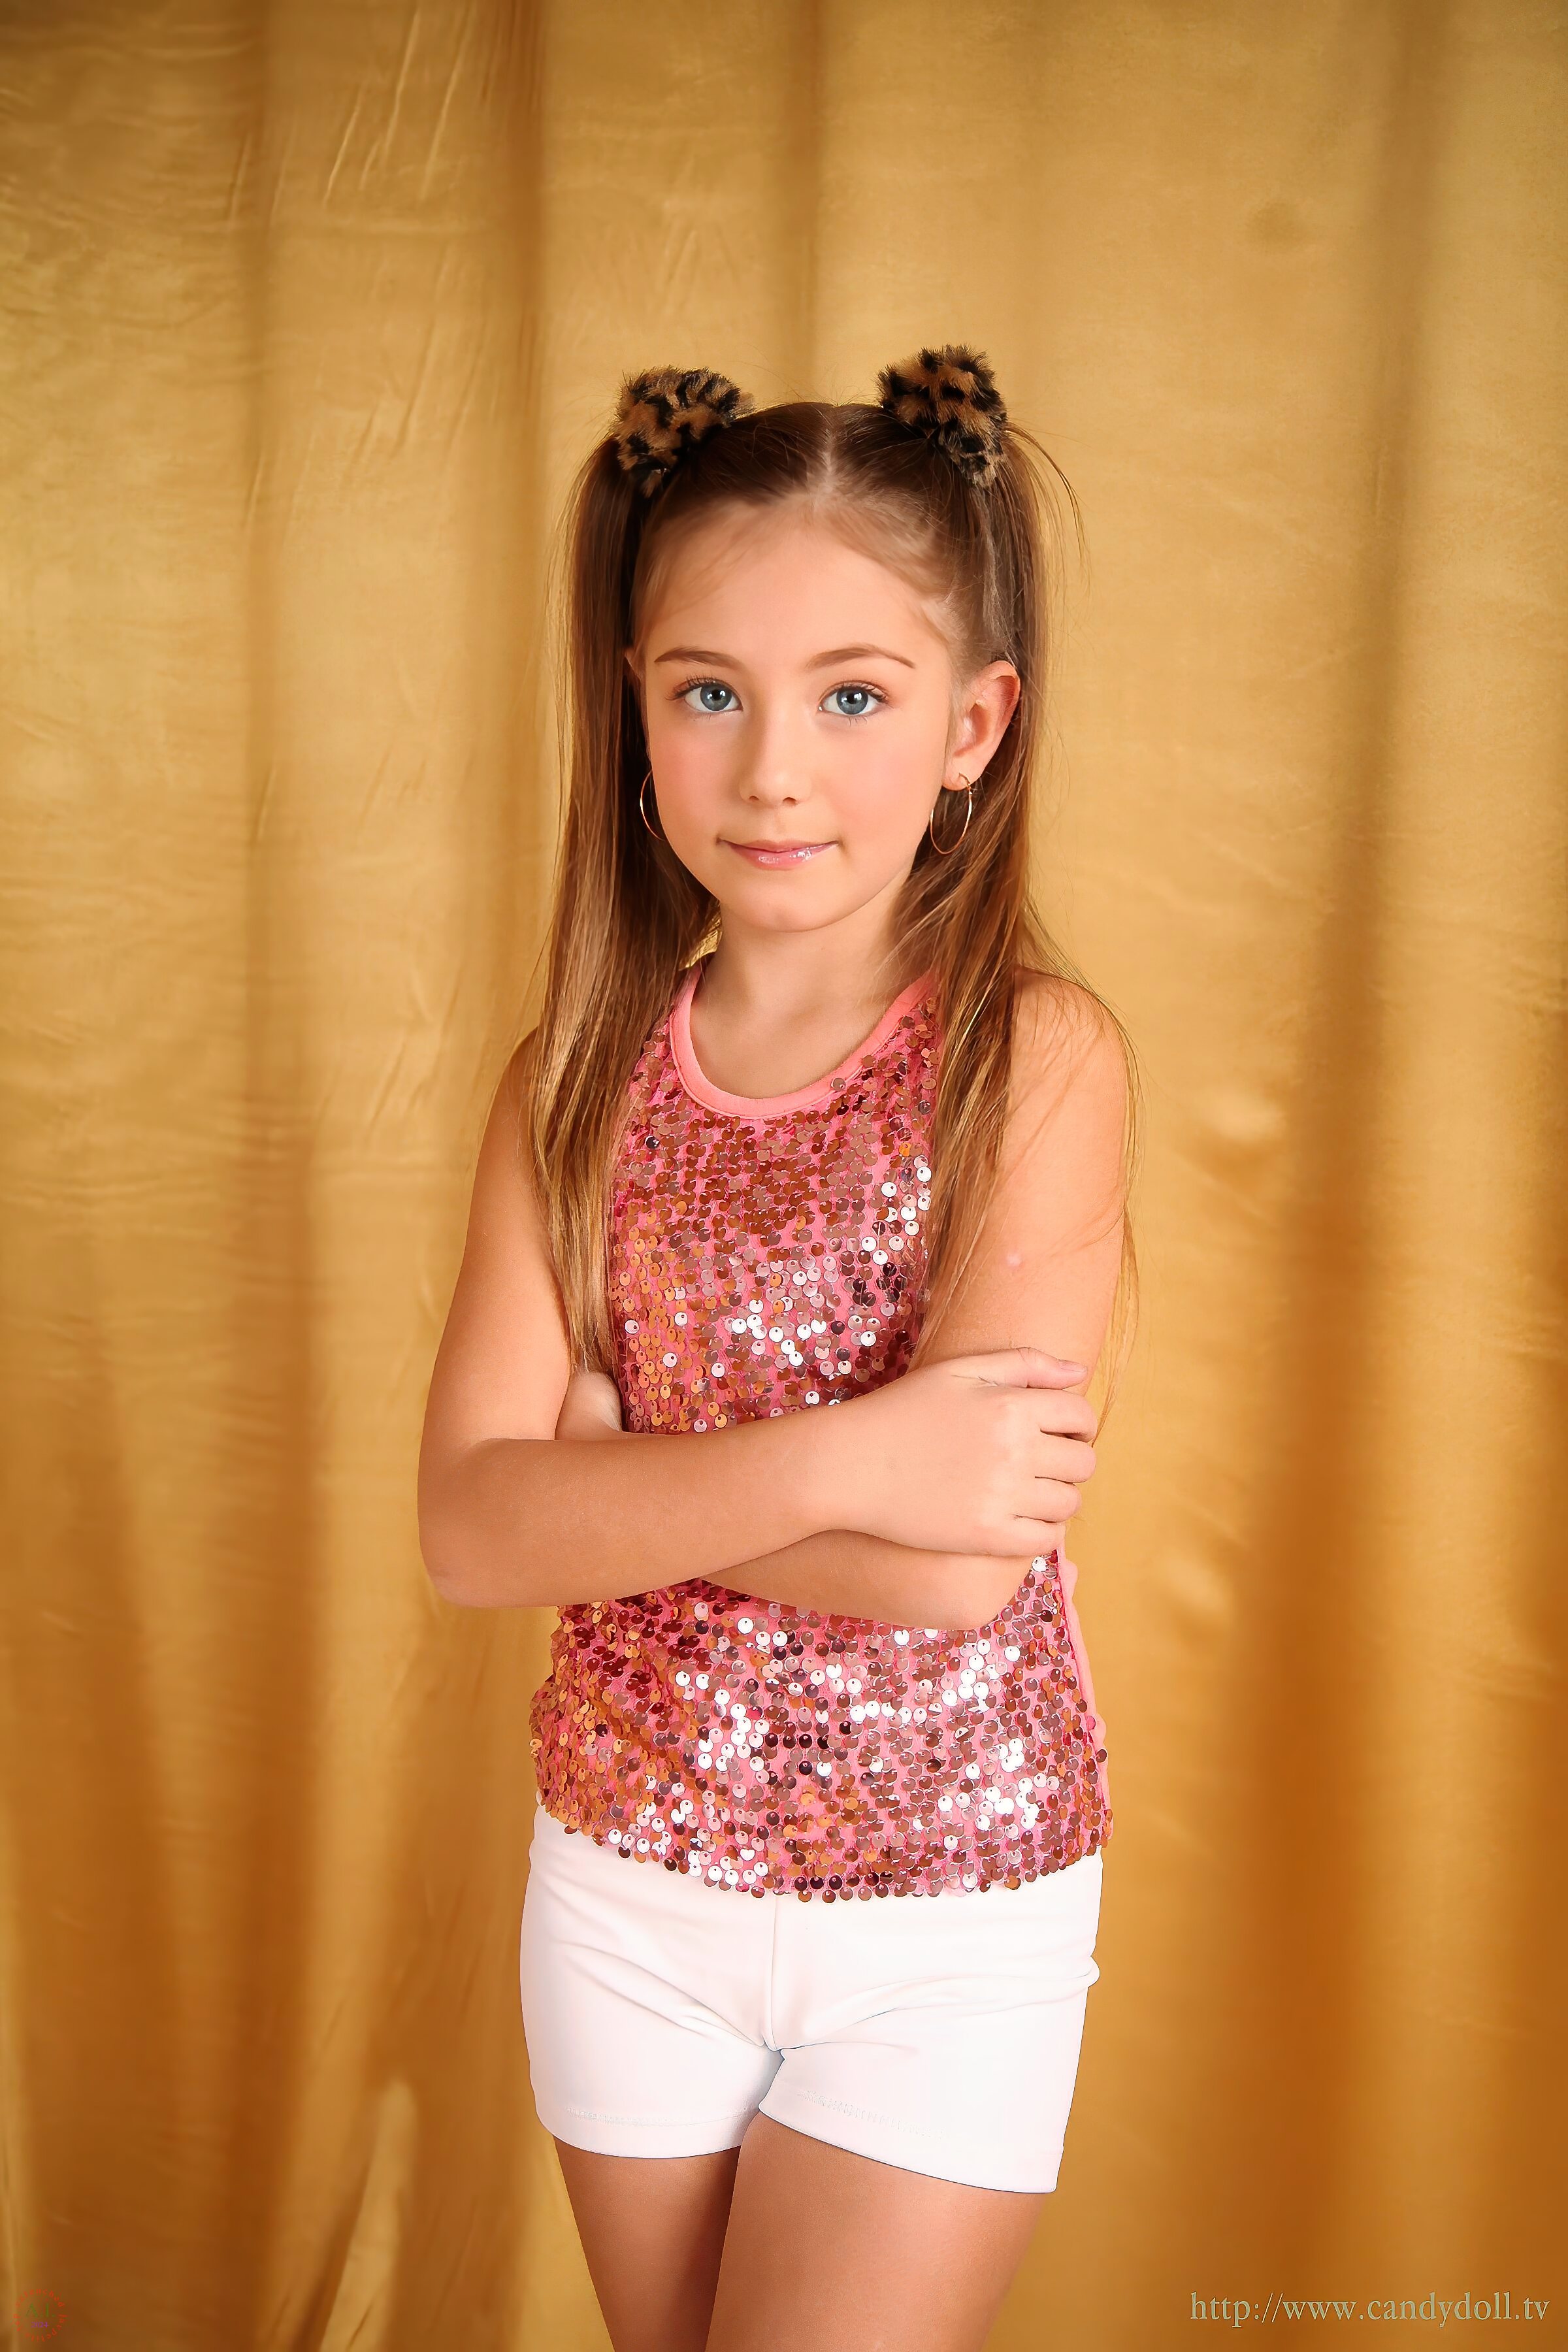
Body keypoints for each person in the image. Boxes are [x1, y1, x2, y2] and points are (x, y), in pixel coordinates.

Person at [418, 345, 1139, 2352]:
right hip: (626, 1890)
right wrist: (855, 1455)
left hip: (944, 1912)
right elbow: (469, 1531)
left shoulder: (1030, 1061)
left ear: (975, 722)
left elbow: (964, 1569)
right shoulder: (571, 1085)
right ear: (633, 708)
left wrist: (608, 1482)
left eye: (854, 696)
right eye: (708, 693)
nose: (774, 772)